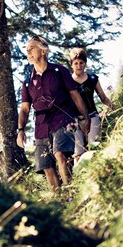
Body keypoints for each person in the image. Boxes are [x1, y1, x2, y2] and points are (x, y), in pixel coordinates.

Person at [17, 36, 90, 190]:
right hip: (41, 123)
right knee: (46, 165)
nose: (28, 52)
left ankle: (70, 192)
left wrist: (85, 118)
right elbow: (24, 109)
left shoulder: (59, 70)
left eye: (32, 48)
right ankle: (59, 200)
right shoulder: (27, 81)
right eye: (27, 49)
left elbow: (75, 96)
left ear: (43, 51)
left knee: (60, 154)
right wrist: (21, 130)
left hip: (63, 117)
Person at [69, 47, 113, 162]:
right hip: (74, 120)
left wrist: (113, 107)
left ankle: (94, 171)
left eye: (81, 63)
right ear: (72, 65)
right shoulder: (68, 81)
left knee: (93, 146)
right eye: (76, 63)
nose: (79, 66)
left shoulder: (92, 78)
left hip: (92, 116)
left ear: (85, 63)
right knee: (78, 150)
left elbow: (102, 97)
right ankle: (80, 176)